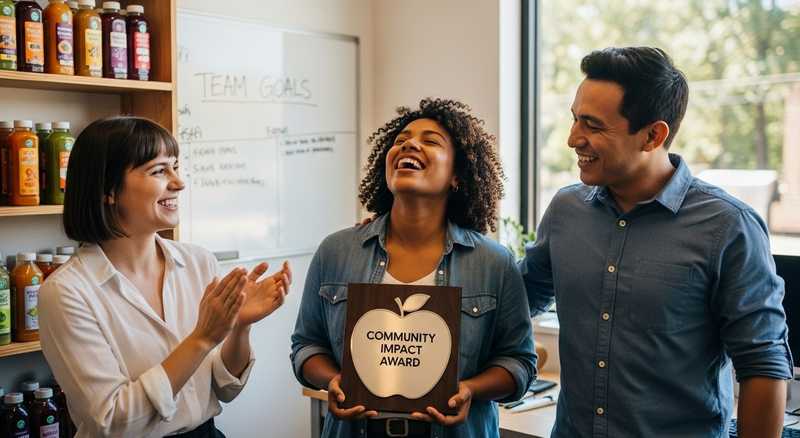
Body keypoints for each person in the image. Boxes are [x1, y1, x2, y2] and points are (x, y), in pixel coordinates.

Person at [522, 46, 793, 437]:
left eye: (592, 126)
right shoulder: (567, 209)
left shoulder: (729, 227)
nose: (572, 139)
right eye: (574, 120)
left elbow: (763, 366)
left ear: (652, 135)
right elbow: (518, 296)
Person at [291, 98, 536, 438]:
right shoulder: (336, 251)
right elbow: (306, 346)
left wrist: (470, 390)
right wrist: (332, 380)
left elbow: (519, 363)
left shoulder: (493, 262)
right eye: (401, 139)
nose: (409, 143)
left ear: (457, 176)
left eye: (431, 141)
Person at [38, 116, 292, 437]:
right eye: (159, 171)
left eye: (176, 166)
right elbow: (113, 421)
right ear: (108, 189)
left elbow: (224, 388)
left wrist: (240, 326)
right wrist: (202, 338)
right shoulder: (66, 293)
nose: (178, 182)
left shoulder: (199, 262)